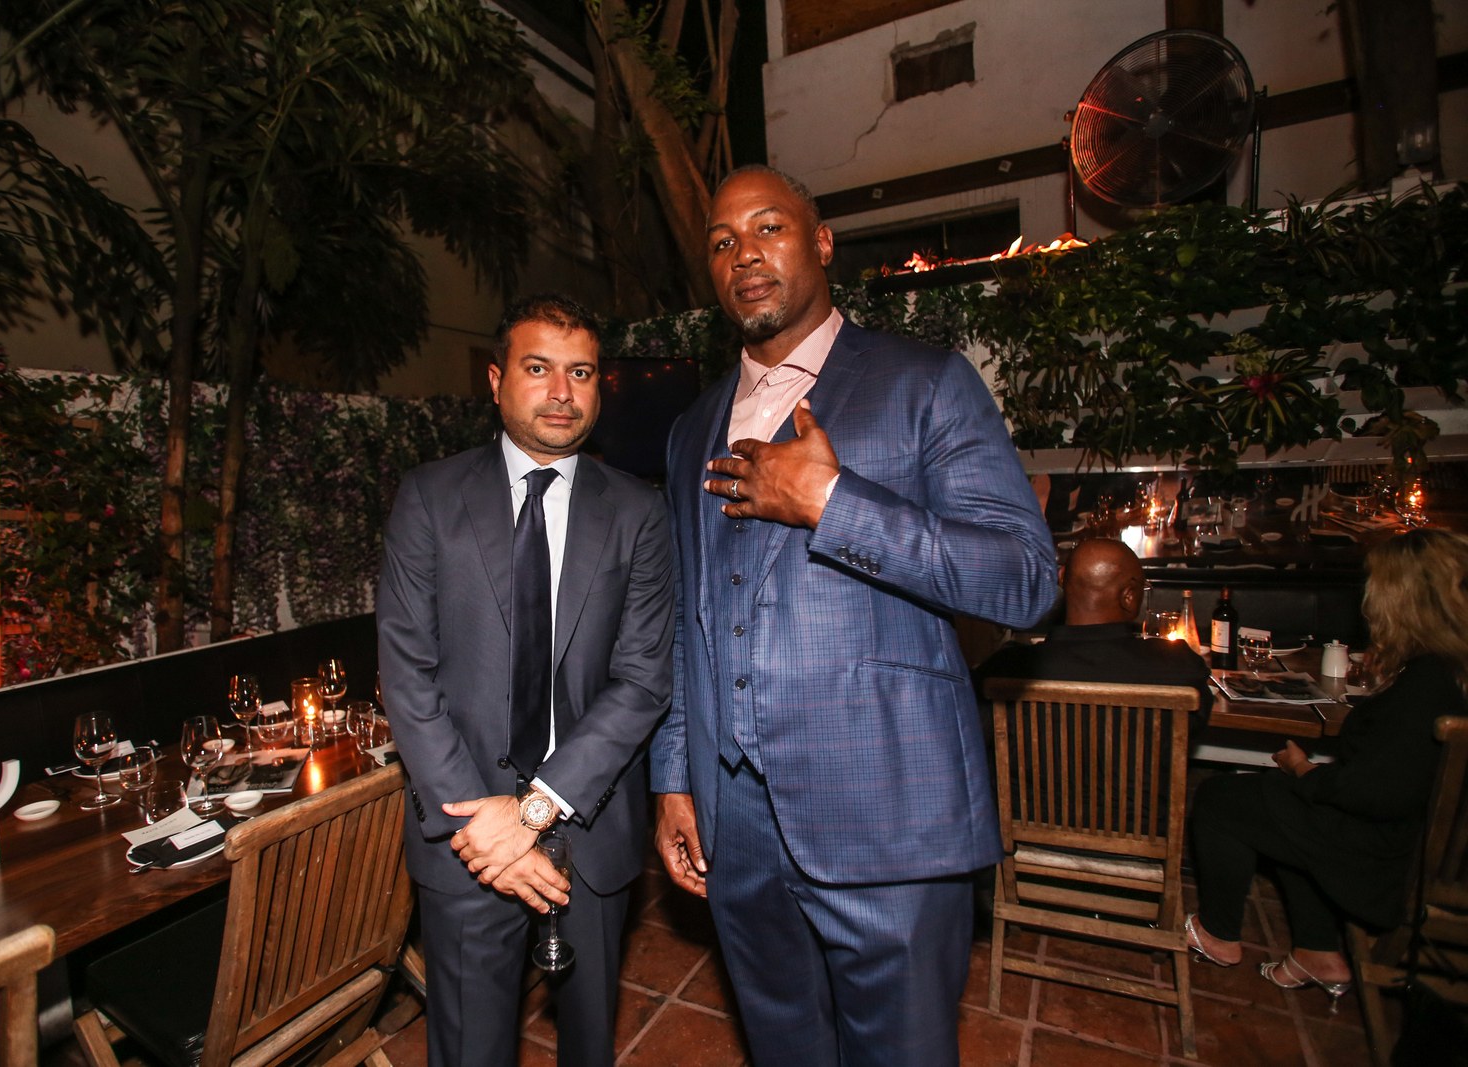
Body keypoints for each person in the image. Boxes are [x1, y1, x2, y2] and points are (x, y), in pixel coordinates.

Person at [650, 165, 1057, 1066]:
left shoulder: (926, 382)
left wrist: (836, 504)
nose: (744, 254)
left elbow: (1026, 579)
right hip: (736, 826)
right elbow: (687, 617)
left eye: (769, 227)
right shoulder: (690, 431)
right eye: (722, 242)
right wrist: (675, 777)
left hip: (888, 815)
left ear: (823, 241)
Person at [378, 294, 674, 1067]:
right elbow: (407, 674)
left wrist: (535, 809)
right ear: (496, 379)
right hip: (466, 835)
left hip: (590, 829)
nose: (561, 391)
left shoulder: (639, 512)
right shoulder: (430, 498)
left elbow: (643, 679)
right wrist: (488, 830)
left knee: (588, 1046)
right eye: (538, 368)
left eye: (581, 372)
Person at [1185, 529, 1468, 1008]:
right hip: (1415, 844)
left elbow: (1372, 793)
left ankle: (1218, 933)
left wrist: (1305, 771)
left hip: (1391, 862)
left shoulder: (1427, 686)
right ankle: (1317, 951)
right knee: (1278, 802)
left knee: (1221, 800)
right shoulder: (1448, 671)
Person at [973, 538, 1212, 717]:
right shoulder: (1179, 667)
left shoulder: (1006, 667)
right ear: (1129, 596)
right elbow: (1196, 724)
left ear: (1062, 577)